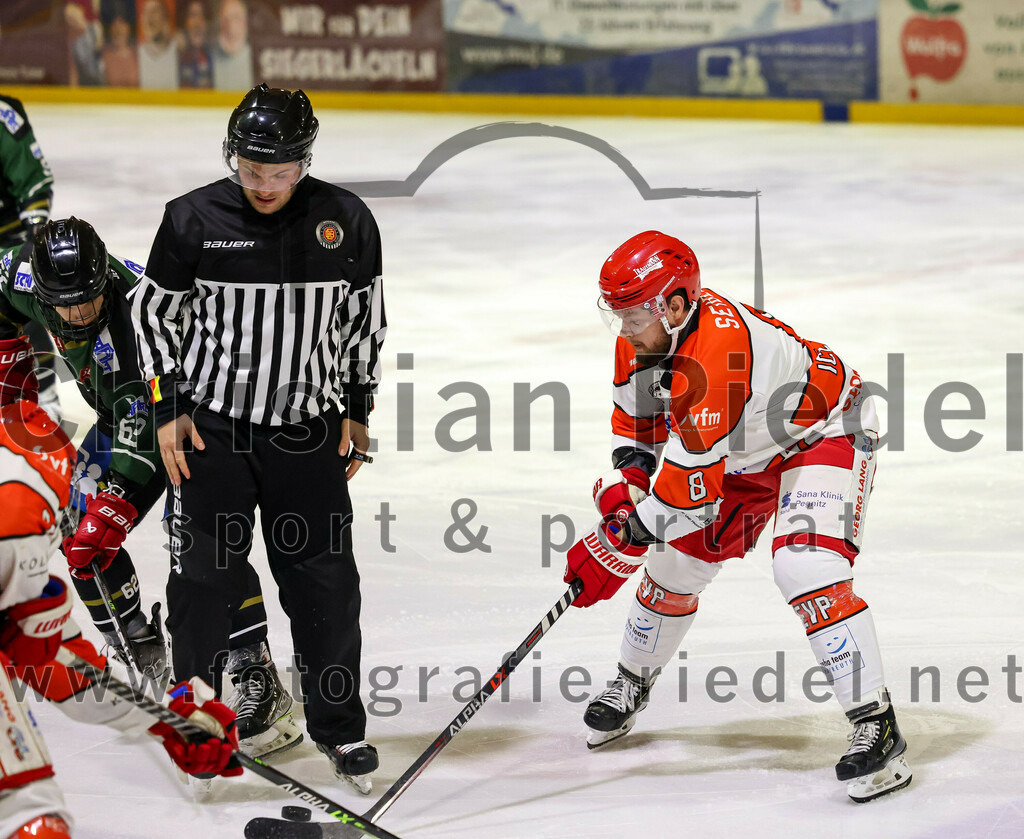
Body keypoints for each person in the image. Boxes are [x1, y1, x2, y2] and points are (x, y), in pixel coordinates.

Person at [564, 230, 912, 803]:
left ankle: (878, 728)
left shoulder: (716, 356)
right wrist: (623, 504)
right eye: (618, 316)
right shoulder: (646, 336)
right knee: (675, 568)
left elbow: (684, 498)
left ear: (675, 306)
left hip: (824, 432)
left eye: (633, 317)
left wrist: (618, 542)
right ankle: (632, 681)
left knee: (806, 568)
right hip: (742, 448)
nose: (623, 331)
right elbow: (637, 434)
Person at [131, 83, 387, 794]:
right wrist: (167, 404)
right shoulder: (191, 220)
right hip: (213, 435)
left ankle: (340, 729)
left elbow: (365, 323)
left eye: (278, 171)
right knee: (201, 590)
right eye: (250, 169)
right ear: (231, 156)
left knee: (327, 587)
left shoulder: (346, 220)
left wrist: (358, 406)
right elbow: (153, 318)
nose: (263, 185)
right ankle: (195, 731)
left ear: (304, 162)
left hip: (306, 436)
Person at [0, 217, 300, 759]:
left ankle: (257, 671)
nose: (76, 317)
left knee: (197, 543)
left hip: (195, 415)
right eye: (63, 306)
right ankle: (143, 654)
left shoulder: (136, 320)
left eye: (88, 303)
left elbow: (146, 429)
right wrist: (8, 358)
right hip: (125, 417)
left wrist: (114, 508)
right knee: (78, 535)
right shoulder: (25, 276)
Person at [0, 345, 241, 838]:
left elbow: (50, 658)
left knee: (35, 813)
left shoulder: (32, 470)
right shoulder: (21, 502)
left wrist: (164, 718)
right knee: (32, 810)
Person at [0, 94, 62, 436]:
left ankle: (46, 390)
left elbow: (34, 181)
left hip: (5, 240)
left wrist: (32, 238)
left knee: (21, 300)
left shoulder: (2, 117)